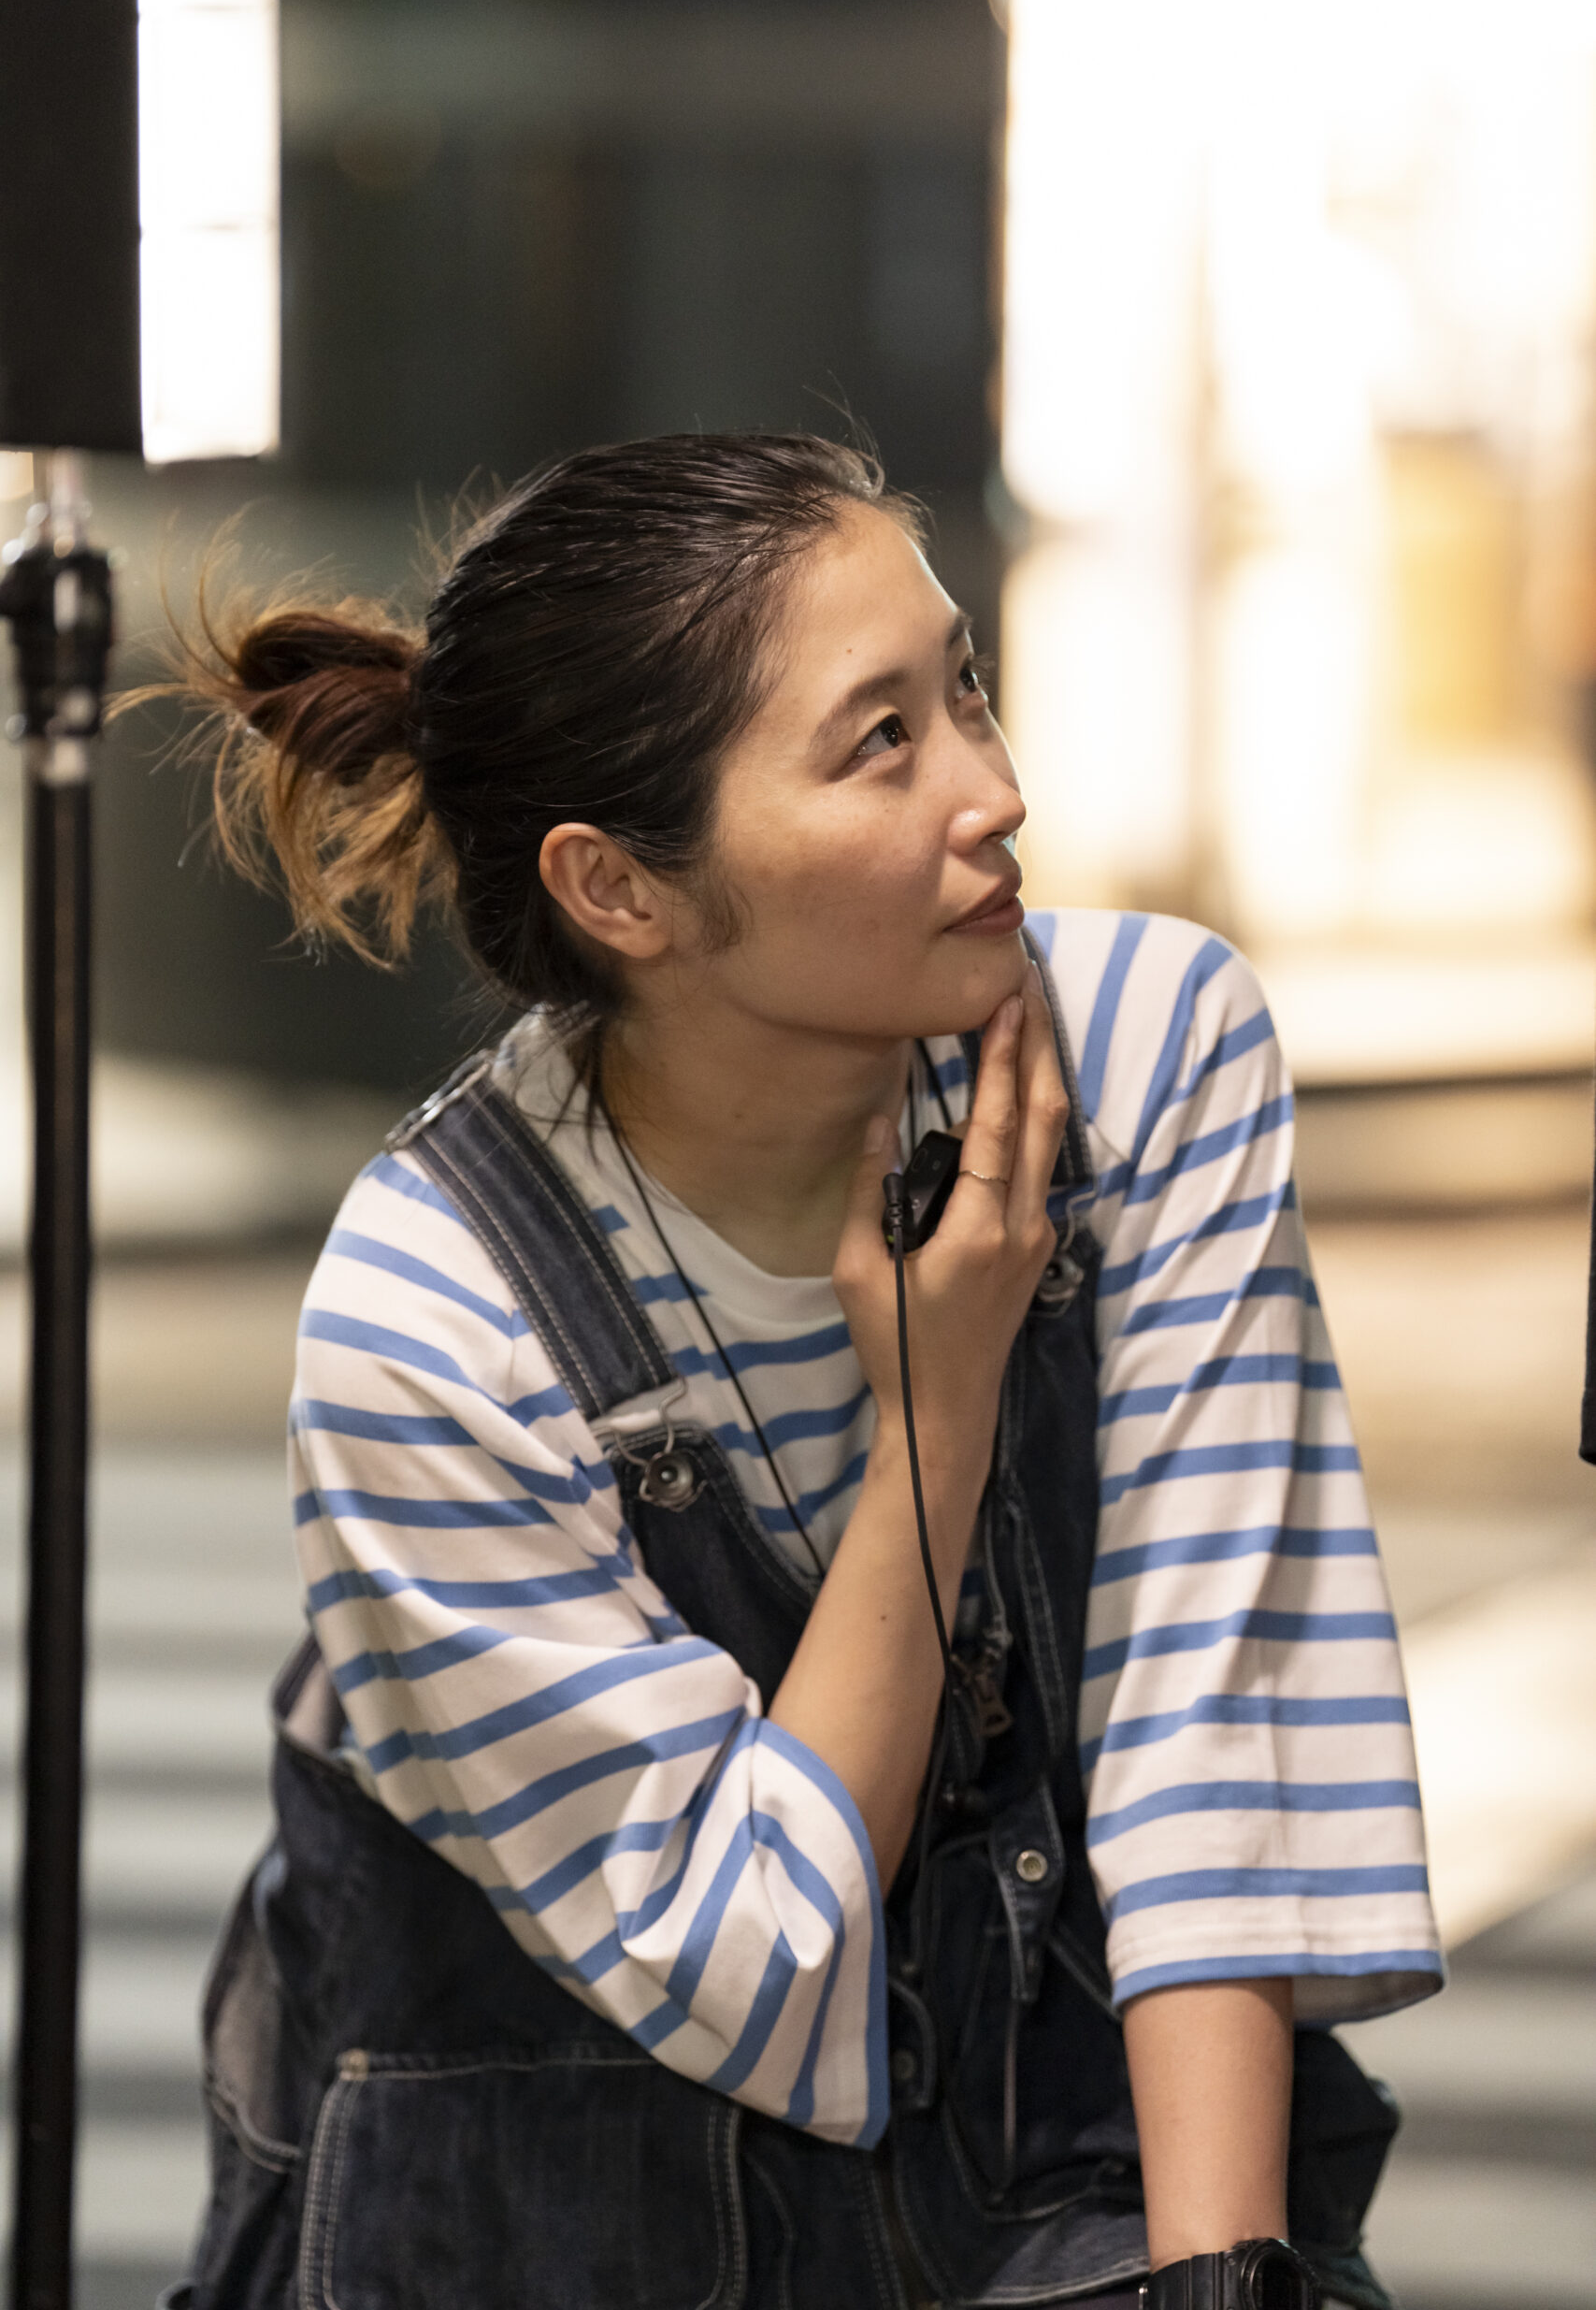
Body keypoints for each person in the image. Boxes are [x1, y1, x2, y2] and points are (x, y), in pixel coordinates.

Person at [166, 434, 1441, 2310]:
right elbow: (752, 1956)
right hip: (544, 2225)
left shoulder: (1148, 1053)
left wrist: (1220, 2283)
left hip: (1047, 2188)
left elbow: (1208, 1735)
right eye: (881, 742)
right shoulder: (429, 1317)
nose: (995, 791)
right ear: (621, 890)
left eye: (966, 688)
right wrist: (936, 1412)